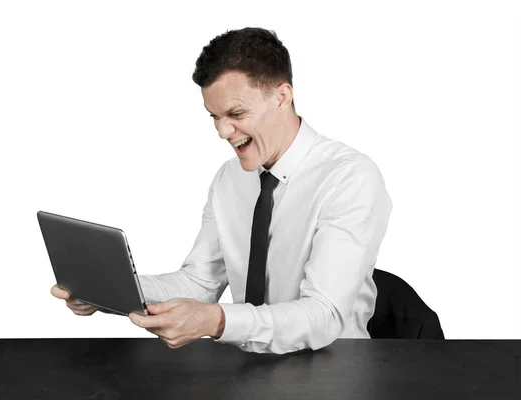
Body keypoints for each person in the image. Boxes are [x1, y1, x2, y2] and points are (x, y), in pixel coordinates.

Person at [51, 27, 392, 355]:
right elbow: (200, 283)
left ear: (282, 96)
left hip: (334, 371)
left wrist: (216, 321)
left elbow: (323, 316)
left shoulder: (350, 177)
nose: (222, 131)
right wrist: (114, 292)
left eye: (236, 113)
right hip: (242, 368)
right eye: (213, 116)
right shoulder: (230, 179)